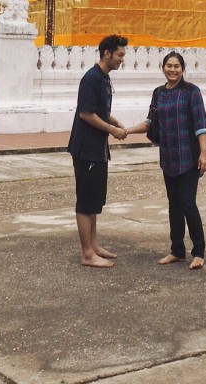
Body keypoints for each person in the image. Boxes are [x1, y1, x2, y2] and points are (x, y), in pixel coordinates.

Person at [127, 51, 206, 270]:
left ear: (183, 69)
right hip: (169, 158)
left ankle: (198, 251)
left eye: (177, 66)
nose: (172, 70)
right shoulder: (158, 93)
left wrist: (203, 153)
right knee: (174, 205)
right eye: (168, 66)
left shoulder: (192, 92)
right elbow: (150, 122)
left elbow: (201, 124)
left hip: (189, 157)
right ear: (163, 68)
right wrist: (125, 130)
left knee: (188, 204)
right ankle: (177, 250)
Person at [67, 35, 128, 268]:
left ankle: (93, 245)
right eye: (120, 55)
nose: (122, 59)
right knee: (85, 202)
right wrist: (112, 129)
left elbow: (99, 110)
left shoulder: (103, 78)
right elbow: (86, 113)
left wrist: (115, 122)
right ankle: (87, 254)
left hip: (97, 148)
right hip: (86, 148)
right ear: (107, 53)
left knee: (93, 200)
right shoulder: (91, 78)